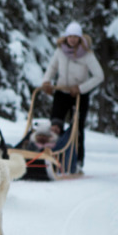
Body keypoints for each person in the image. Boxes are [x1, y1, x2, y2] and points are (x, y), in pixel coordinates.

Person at [40, 21, 104, 172]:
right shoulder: (60, 51)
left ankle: (78, 161)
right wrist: (46, 81)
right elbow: (52, 67)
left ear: (80, 38)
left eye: (76, 37)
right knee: (55, 125)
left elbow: (99, 76)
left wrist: (81, 88)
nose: (73, 40)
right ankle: (54, 156)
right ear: (66, 37)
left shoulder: (87, 54)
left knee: (77, 129)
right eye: (70, 37)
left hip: (79, 95)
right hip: (61, 92)